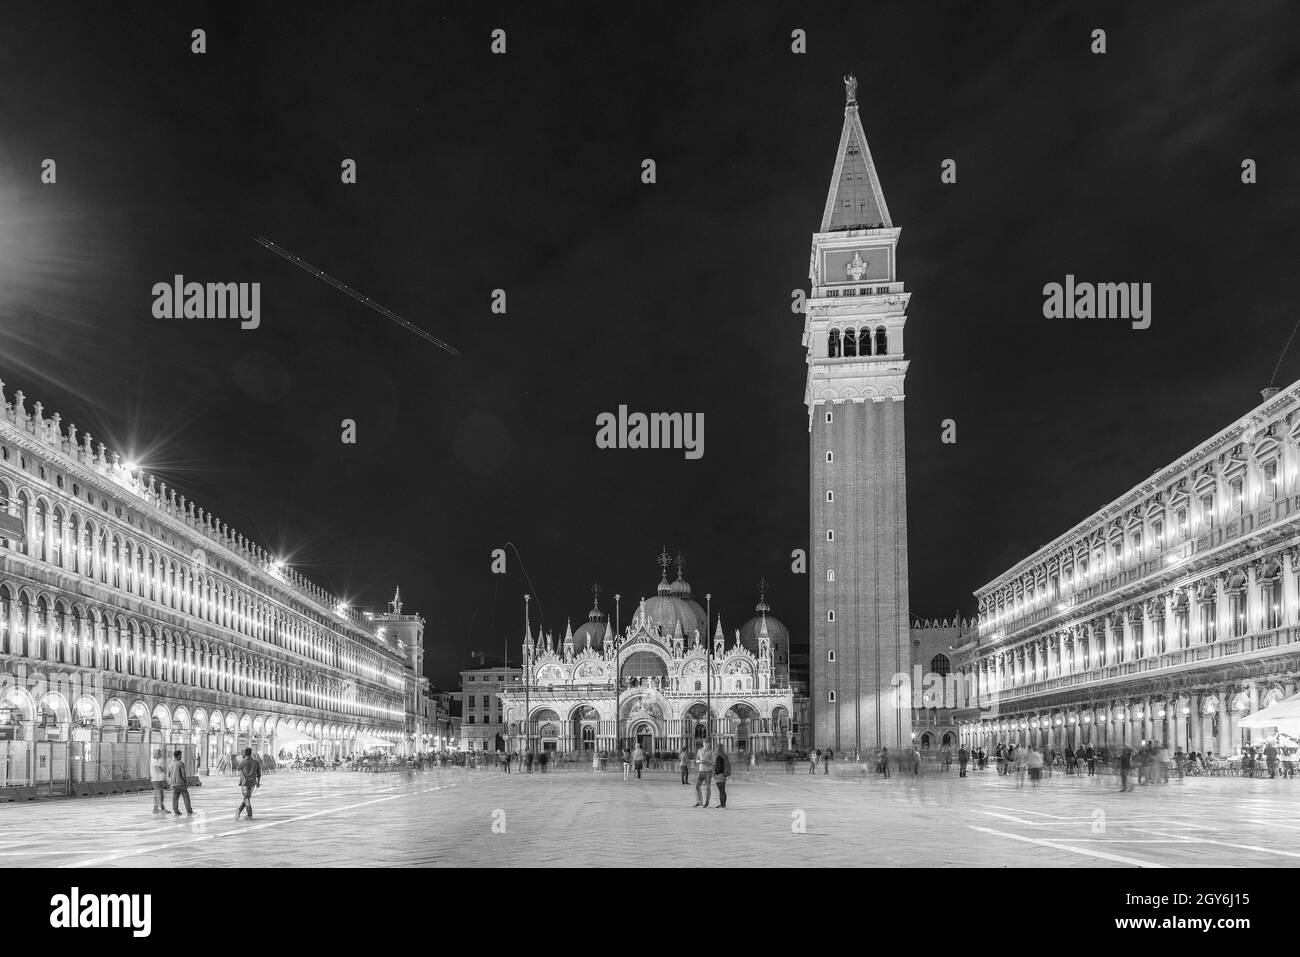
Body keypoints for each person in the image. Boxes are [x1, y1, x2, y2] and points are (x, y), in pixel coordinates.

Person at [235, 747, 262, 821]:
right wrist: (258, 783)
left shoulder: (243, 762)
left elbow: (238, 768)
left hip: (244, 783)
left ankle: (249, 815)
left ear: (245, 754)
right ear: (251, 754)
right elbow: (259, 774)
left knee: (246, 798)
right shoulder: (256, 762)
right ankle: (239, 811)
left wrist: (239, 760)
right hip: (252, 783)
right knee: (247, 798)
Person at [168, 750, 193, 815]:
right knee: (186, 796)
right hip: (180, 783)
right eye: (180, 755)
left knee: (175, 797)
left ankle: (176, 811)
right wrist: (186, 782)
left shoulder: (170, 764)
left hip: (173, 784)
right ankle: (189, 811)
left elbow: (168, 775)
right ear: (178, 755)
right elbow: (183, 774)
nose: (181, 756)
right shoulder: (180, 763)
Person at [694, 740, 715, 808]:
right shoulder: (700, 750)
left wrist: (706, 761)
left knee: (708, 787)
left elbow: (713, 762)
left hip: (708, 771)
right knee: (697, 786)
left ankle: (707, 802)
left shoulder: (712, 752)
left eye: (706, 744)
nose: (705, 745)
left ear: (709, 744)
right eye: (704, 744)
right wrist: (700, 761)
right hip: (701, 770)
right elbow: (696, 760)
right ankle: (700, 802)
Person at [150, 748, 169, 815]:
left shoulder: (160, 760)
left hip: (160, 779)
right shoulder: (153, 760)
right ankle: (161, 809)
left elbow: (162, 769)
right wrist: (162, 769)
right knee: (159, 794)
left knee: (157, 794)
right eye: (156, 753)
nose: (155, 754)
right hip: (156, 779)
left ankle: (155, 809)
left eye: (158, 753)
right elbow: (158, 769)